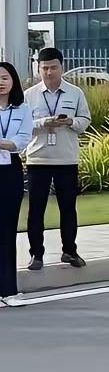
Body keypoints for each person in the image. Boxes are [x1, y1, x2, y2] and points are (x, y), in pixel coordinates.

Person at [24, 48, 90, 271]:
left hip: (66, 159)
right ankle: (36, 254)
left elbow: (85, 120)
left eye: (53, 67)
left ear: (62, 67)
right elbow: (22, 125)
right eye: (45, 68)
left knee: (68, 208)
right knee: (36, 209)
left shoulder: (75, 93)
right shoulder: (29, 95)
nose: (49, 72)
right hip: (38, 160)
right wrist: (43, 123)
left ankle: (70, 251)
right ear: (38, 69)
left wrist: (71, 122)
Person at [0, 62, 33, 306]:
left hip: (10, 170)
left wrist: (4, 143)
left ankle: (8, 290)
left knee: (7, 230)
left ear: (13, 81)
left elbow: (21, 141)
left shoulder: (23, 109)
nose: (0, 82)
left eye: (4, 77)